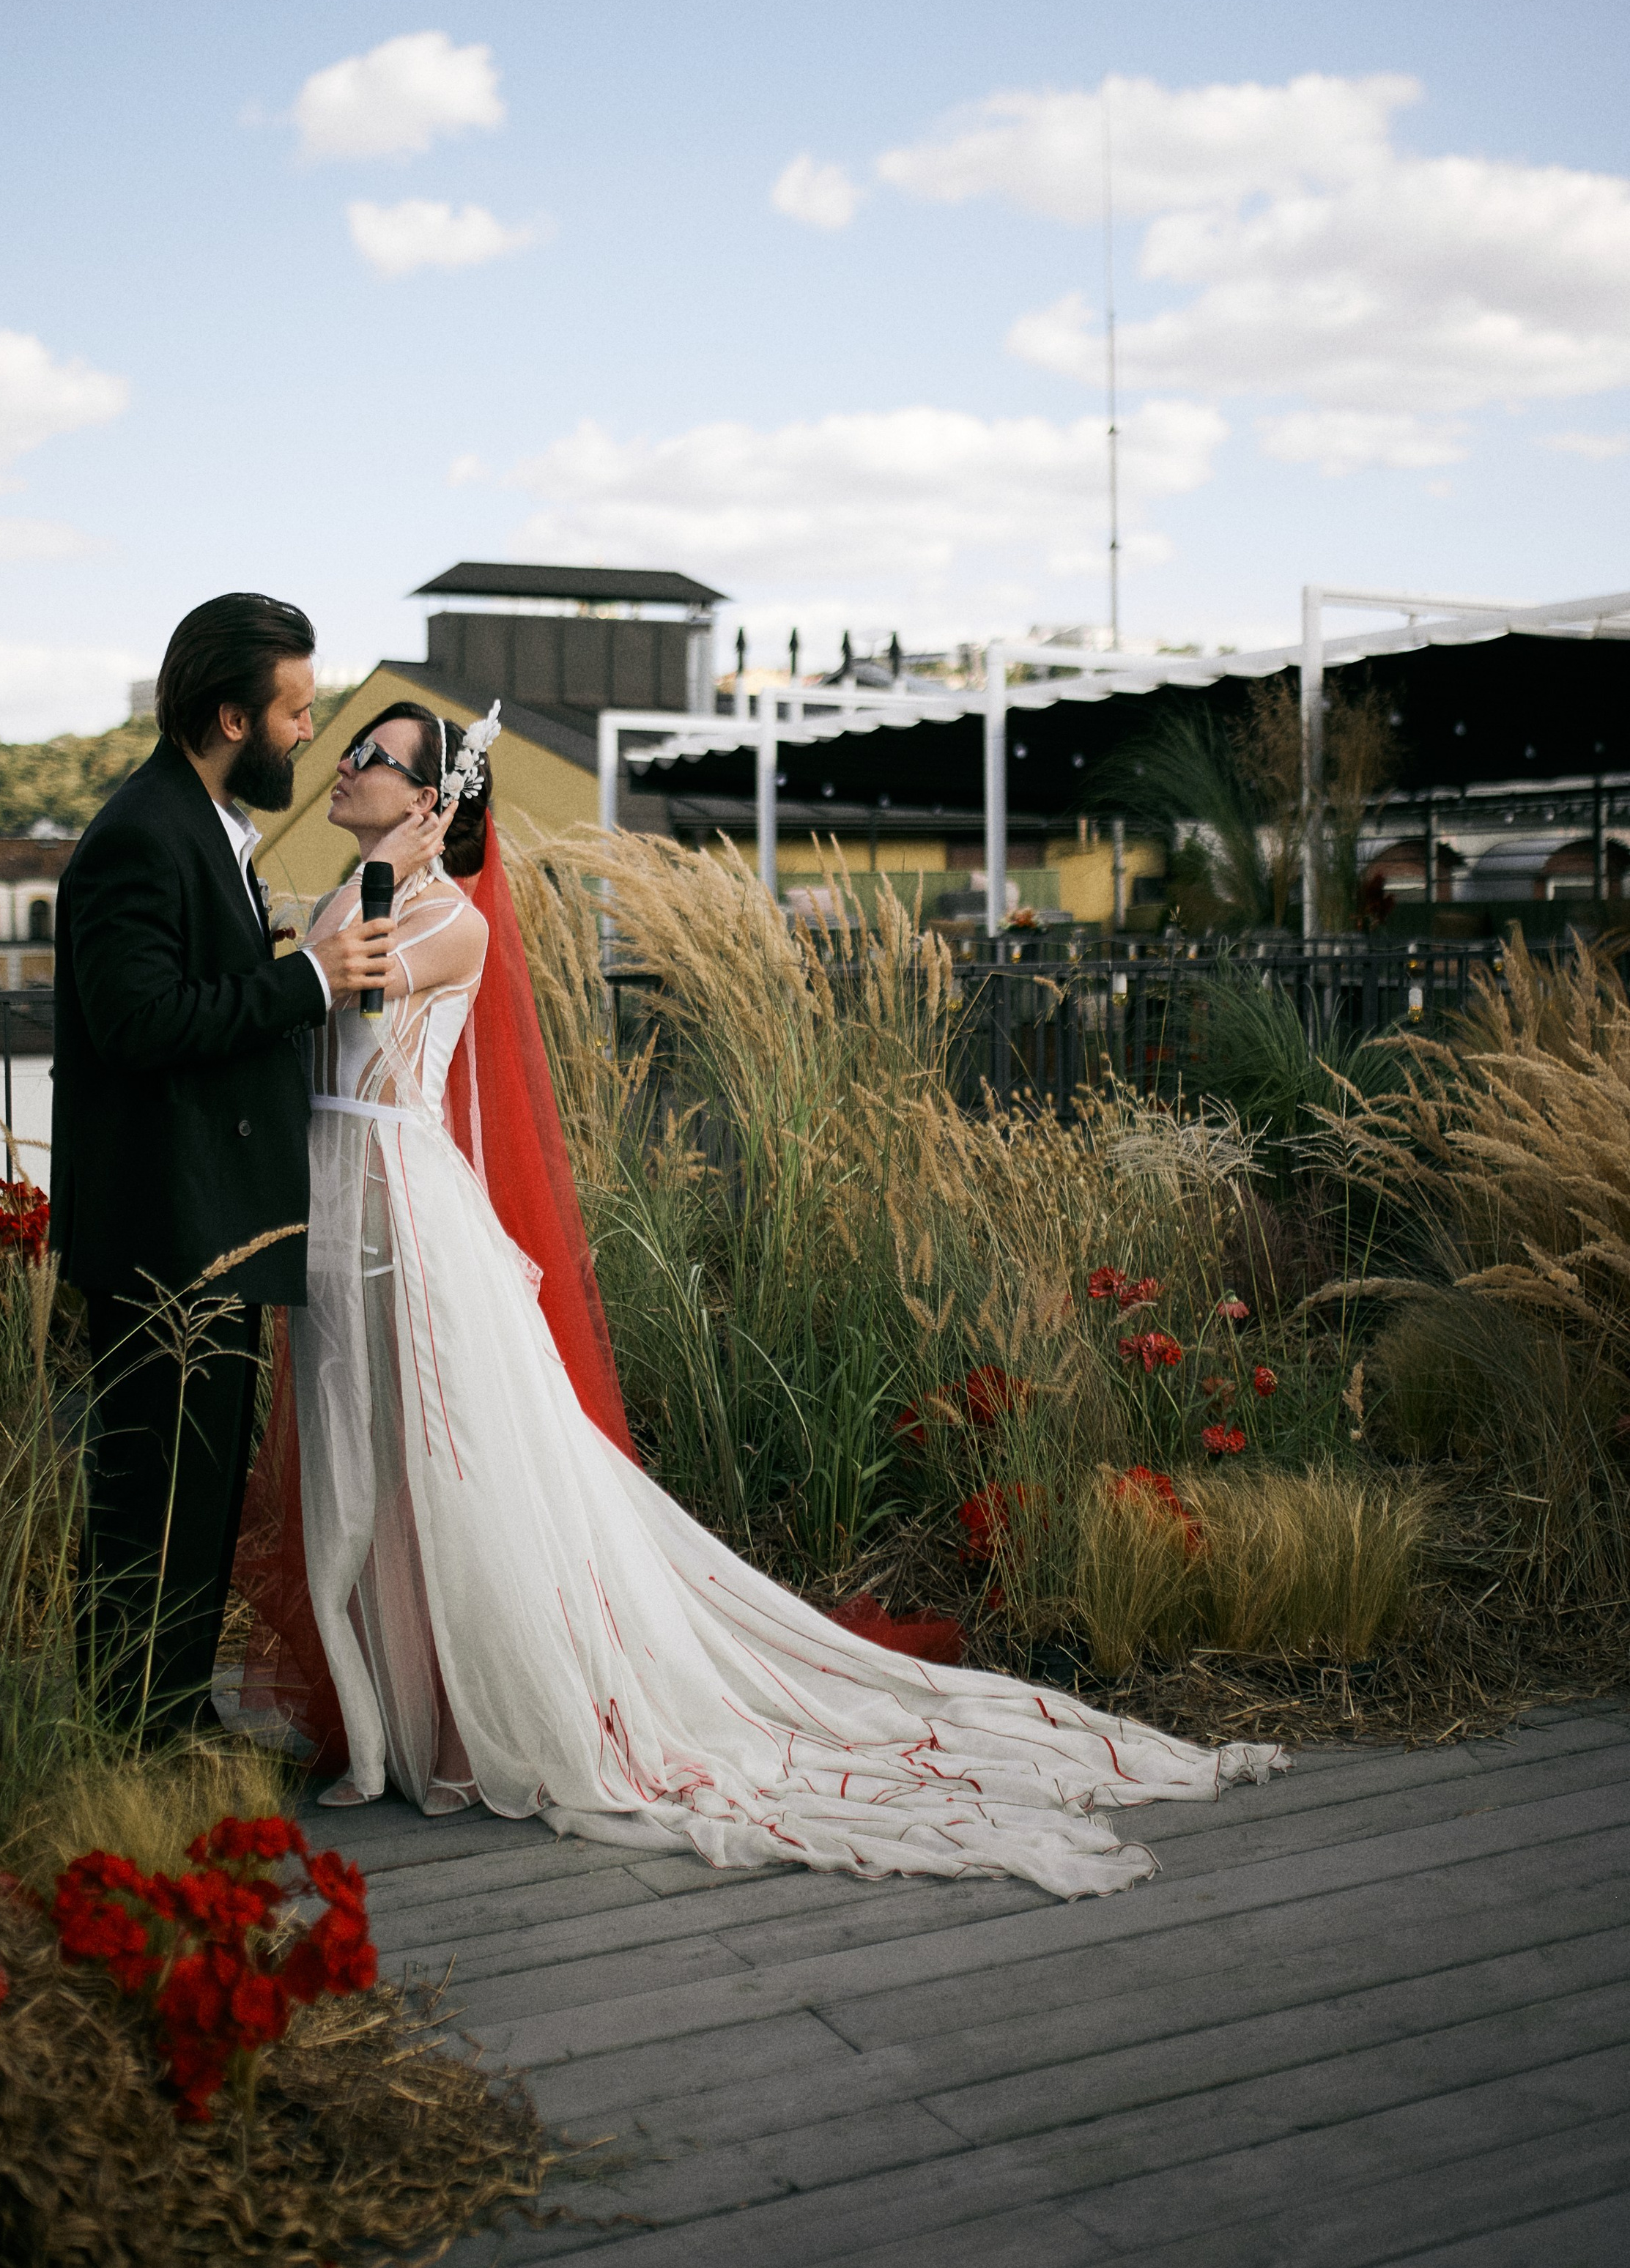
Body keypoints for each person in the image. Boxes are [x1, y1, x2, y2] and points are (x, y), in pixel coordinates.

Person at [240, 699, 1283, 1893]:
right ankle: (375, 1730)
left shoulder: (449, 921)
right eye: (352, 749)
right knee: (341, 1459)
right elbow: (300, 1000)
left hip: (410, 1217)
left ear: (430, 801)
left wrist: (370, 886)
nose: (346, 765)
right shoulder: (337, 902)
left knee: (447, 1467)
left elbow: (351, 995)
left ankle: (471, 1719)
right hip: (330, 1212)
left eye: (375, 758)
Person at [51, 593, 392, 1730]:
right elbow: (137, 1020)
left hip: (211, 1228)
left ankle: (173, 1717)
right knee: (151, 1499)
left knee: (199, 1498)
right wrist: (306, 982)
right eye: (295, 709)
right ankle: (133, 1734)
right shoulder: (141, 836)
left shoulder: (204, 829)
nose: (309, 731)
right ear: (232, 716)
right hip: (164, 1233)